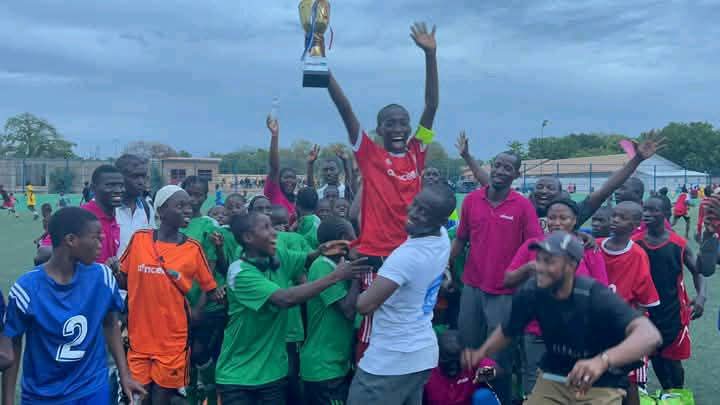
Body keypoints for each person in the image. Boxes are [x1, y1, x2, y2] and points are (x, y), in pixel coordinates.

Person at [463, 231, 663, 405]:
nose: (540, 267)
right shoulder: (532, 292)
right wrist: (482, 352)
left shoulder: (594, 295)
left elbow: (650, 336)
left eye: (549, 261)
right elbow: (508, 330)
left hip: (601, 382)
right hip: (554, 376)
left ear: (571, 265)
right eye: (539, 259)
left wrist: (602, 361)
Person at [215, 212, 369, 405]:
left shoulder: (277, 256)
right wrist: (336, 276)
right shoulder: (240, 273)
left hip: (274, 374)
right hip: (239, 378)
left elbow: (306, 259)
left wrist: (321, 250)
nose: (275, 233)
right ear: (248, 237)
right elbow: (284, 299)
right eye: (266, 228)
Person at [3, 207, 146, 403]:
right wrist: (8, 400)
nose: (102, 242)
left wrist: (125, 375)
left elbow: (110, 324)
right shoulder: (26, 289)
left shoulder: (102, 277)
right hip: (43, 393)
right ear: (71, 240)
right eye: (95, 237)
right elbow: (13, 343)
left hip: (92, 388)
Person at [347, 185, 456, 405]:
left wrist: (349, 273)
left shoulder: (407, 256)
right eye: (415, 204)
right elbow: (359, 217)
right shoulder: (442, 238)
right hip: (421, 355)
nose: (413, 212)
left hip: (391, 360)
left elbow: (364, 306)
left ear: (441, 220)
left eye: (424, 211)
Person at [451, 150, 543, 404]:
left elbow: (535, 246)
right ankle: (468, 397)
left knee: (499, 357)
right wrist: (444, 267)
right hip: (472, 287)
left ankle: (499, 399)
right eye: (498, 165)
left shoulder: (522, 205)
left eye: (508, 168)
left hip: (505, 292)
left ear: (517, 174)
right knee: (468, 348)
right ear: (491, 166)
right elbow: (461, 238)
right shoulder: (472, 200)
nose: (501, 171)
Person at [116, 185, 220, 404]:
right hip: (139, 338)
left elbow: (210, 288)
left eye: (188, 205)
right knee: (139, 398)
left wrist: (196, 311)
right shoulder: (140, 239)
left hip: (173, 341)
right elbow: (123, 278)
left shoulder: (193, 248)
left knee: (162, 398)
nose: (187, 210)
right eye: (180, 205)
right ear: (161, 211)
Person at [503, 198, 609, 396]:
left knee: (574, 383)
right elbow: (508, 280)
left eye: (563, 218)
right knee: (534, 379)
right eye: (552, 218)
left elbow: (600, 292)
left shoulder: (587, 249)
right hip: (537, 329)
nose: (557, 223)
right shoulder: (533, 245)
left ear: (575, 220)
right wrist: (529, 268)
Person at [634, 196, 708, 390]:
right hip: (646, 311)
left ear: (666, 214)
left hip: (673, 312)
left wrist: (701, 297)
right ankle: (668, 391)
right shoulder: (635, 243)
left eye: (653, 210)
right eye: (645, 210)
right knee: (655, 355)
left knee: (673, 361)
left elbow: (698, 272)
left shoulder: (678, 243)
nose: (647, 214)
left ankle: (677, 393)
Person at [530, 136, 662, 232]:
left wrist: (637, 159)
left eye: (550, 188)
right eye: (539, 187)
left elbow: (605, 191)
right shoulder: (523, 210)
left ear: (560, 193)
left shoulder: (574, 213)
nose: (544, 191)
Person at [598, 202, 661, 404]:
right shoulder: (595, 246)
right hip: (597, 327)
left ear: (635, 225)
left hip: (625, 328)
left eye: (622, 218)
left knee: (628, 380)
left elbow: (644, 300)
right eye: (614, 215)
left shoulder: (638, 255)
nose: (615, 220)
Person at [301, 217, 361, 405]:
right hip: (323, 368)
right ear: (343, 238)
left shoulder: (338, 267)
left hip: (336, 363)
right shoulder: (322, 266)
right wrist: (357, 273)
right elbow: (348, 310)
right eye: (354, 236)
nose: (357, 241)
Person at [424, 330, 497, 405]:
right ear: (437, 357)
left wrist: (481, 373)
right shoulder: (427, 372)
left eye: (456, 361)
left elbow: (497, 372)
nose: (453, 366)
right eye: (448, 361)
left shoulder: (471, 362)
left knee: (484, 395)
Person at [82, 165, 124, 264]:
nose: (118, 190)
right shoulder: (81, 216)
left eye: (121, 186)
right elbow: (47, 250)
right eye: (110, 185)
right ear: (93, 188)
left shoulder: (114, 217)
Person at [115, 153, 156, 255]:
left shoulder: (147, 208)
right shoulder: (108, 209)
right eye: (135, 176)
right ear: (120, 177)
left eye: (143, 176)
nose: (141, 182)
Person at [265, 117, 298, 224]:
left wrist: (310, 165)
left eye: (292, 178)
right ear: (278, 180)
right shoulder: (274, 194)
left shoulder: (298, 201)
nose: (290, 181)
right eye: (286, 177)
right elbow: (274, 167)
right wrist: (275, 135)